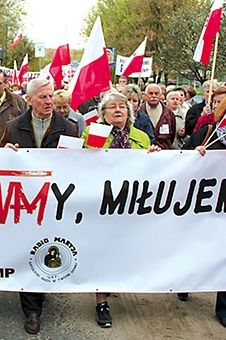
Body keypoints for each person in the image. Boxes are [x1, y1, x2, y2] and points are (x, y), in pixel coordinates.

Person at [0, 78, 78, 335]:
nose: (48, 102)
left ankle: (43, 287)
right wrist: (6, 152)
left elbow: (78, 166)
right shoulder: (13, 127)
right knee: (27, 249)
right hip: (24, 201)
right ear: (30, 99)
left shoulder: (68, 128)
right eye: (43, 97)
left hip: (55, 200)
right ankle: (31, 310)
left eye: (51, 97)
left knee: (49, 247)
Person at [80, 91, 159, 328]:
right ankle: (101, 301)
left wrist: (155, 158)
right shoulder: (93, 132)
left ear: (130, 112)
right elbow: (83, 163)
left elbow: (150, 171)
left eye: (122, 107)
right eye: (112, 107)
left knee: (125, 248)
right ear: (103, 114)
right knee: (102, 250)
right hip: (102, 202)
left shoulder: (142, 138)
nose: (118, 110)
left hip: (131, 204)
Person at [179, 92, 226, 329]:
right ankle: (186, 283)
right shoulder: (208, 133)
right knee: (196, 247)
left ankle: (225, 308)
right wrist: (197, 154)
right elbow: (181, 161)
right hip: (202, 207)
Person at [140, 83, 175, 149]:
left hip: (164, 152)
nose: (154, 96)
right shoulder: (139, 112)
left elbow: (172, 135)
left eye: (156, 93)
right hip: (145, 151)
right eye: (151, 93)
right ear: (145, 95)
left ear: (161, 95)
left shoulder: (169, 113)